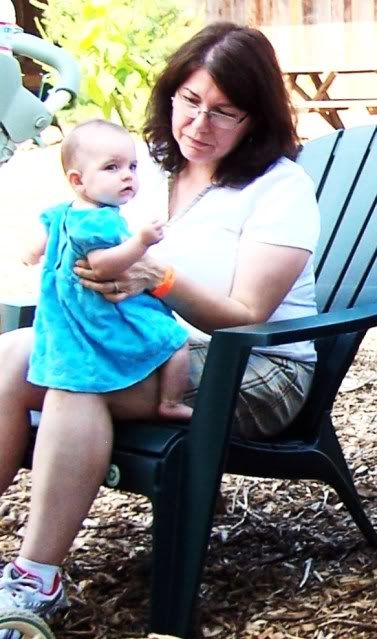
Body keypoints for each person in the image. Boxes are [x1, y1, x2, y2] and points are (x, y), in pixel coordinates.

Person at [0, 20, 320, 627]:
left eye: (225, 112)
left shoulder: (280, 188)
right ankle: (28, 571)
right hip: (143, 347)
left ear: (256, 117)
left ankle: (36, 580)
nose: (200, 126)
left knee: (75, 378)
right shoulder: (139, 169)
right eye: (191, 102)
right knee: (11, 353)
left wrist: (158, 278)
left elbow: (246, 316)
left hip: (254, 369)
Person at [23, 118, 190, 421]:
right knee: (176, 340)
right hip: (105, 313)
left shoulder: (67, 210)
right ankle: (171, 402)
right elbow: (101, 266)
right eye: (112, 168)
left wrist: (32, 253)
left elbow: (43, 235)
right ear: (78, 180)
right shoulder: (101, 221)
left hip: (72, 311)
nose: (127, 176)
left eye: (133, 167)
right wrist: (141, 243)